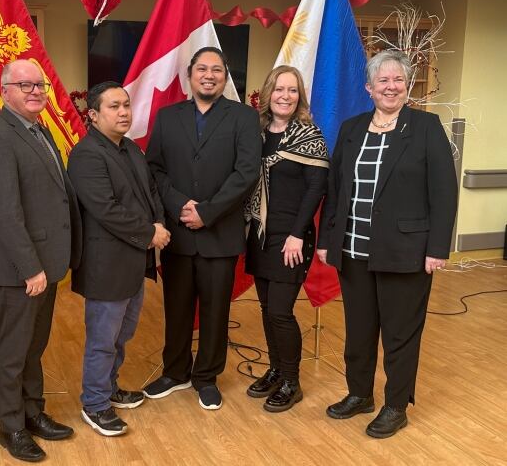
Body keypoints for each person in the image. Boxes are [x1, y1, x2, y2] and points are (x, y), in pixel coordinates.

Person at [317, 50, 457, 438]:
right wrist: (329, 238)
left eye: (398, 80)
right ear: (369, 88)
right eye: (383, 80)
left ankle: (396, 405)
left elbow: (444, 192)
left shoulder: (426, 127)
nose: (391, 86)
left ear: (407, 86)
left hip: (406, 253)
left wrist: (437, 248)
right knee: (359, 331)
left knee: (400, 334)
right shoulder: (351, 128)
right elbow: (337, 187)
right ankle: (359, 394)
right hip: (354, 250)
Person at [0, 59, 82, 462]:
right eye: (25, 85)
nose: (36, 91)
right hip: (23, 269)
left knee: (34, 346)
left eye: (40, 85)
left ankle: (34, 412)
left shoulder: (38, 129)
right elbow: (4, 212)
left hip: (46, 262)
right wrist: (30, 267)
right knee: (13, 350)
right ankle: (12, 428)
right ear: (5, 90)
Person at [144, 47, 262, 409]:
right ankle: (175, 371)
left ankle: (206, 377)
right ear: (189, 77)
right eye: (201, 69)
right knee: (177, 308)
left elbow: (246, 173)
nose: (208, 75)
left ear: (225, 77)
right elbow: (155, 169)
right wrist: (181, 206)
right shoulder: (167, 118)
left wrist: (207, 212)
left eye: (216, 70)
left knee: (215, 312)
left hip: (219, 234)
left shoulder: (243, 117)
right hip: (178, 233)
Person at [67, 81, 170, 436]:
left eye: (126, 105)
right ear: (93, 115)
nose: (124, 112)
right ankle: (94, 404)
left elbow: (151, 192)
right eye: (114, 106)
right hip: (106, 265)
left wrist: (158, 220)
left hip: (133, 261)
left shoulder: (131, 149)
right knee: (102, 339)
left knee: (121, 335)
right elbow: (105, 210)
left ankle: (110, 389)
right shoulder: (86, 155)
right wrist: (150, 233)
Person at [243, 66, 329, 412]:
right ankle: (276, 369)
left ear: (300, 97)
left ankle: (292, 381)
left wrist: (296, 233)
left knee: (280, 311)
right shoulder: (258, 136)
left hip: (292, 237)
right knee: (266, 309)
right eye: (279, 89)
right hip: (260, 233)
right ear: (268, 93)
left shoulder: (309, 135)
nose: (285, 96)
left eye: (292, 91)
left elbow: (316, 189)